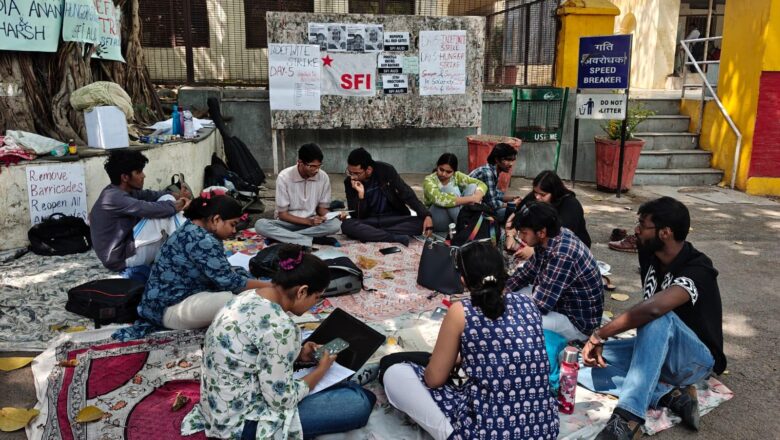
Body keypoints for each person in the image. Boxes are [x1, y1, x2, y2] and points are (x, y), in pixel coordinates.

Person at [182, 244, 375, 439]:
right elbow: (282, 401)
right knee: (360, 402)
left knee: (342, 395)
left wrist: (298, 353)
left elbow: (255, 348)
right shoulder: (280, 327)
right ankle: (344, 386)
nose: (315, 303)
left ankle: (340, 386)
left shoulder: (246, 297)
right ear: (302, 291)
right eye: (316, 297)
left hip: (218, 409)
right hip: (242, 424)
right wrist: (321, 371)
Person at [580, 197, 726, 440]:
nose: (636, 230)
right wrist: (594, 342)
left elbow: (654, 310)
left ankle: (627, 419)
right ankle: (667, 396)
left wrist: (600, 334)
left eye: (642, 225)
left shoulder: (698, 268)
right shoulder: (650, 255)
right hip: (658, 350)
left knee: (656, 316)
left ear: (665, 232)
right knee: (582, 360)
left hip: (694, 360)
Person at [383, 242, 559, 440]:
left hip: (487, 431)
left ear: (463, 280)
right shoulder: (528, 303)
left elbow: (433, 380)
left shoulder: (461, 312)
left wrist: (452, 361)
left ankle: (454, 436)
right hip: (544, 429)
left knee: (395, 373)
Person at [113, 195, 270, 341]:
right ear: (216, 219)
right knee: (235, 300)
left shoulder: (192, 228)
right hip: (168, 309)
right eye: (232, 224)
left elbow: (223, 273)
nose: (234, 231)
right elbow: (232, 283)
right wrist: (272, 286)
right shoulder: (203, 240)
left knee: (240, 280)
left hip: (161, 303)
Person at [505, 203, 603, 342]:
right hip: (560, 305)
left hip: (576, 324)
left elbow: (540, 305)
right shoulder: (549, 238)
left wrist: (502, 305)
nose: (520, 237)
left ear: (541, 232)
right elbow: (527, 272)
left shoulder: (562, 254)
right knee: (511, 296)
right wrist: (502, 291)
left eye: (524, 233)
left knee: (513, 321)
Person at [89, 150, 191, 282]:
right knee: (165, 214)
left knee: (167, 199)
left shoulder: (125, 190)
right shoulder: (113, 197)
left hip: (130, 249)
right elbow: (150, 209)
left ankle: (188, 248)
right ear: (125, 177)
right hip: (122, 259)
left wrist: (178, 196)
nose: (144, 175)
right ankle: (194, 248)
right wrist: (182, 202)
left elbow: (153, 195)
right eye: (138, 172)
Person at [341, 147, 433, 246]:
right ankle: (393, 237)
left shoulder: (386, 170)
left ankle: (373, 234)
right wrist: (361, 196)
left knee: (421, 222)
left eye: (356, 173)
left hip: (393, 218)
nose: (352, 176)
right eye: (350, 172)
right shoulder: (349, 182)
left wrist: (426, 215)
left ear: (369, 169)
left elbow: (406, 193)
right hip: (369, 221)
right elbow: (356, 216)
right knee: (346, 225)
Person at [255, 143, 341, 247]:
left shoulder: (323, 177)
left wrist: (333, 216)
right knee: (260, 225)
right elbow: (283, 215)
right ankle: (312, 239)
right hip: (288, 224)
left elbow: (322, 209)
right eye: (312, 166)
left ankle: (286, 238)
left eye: (319, 166)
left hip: (312, 224)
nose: (317, 170)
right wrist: (308, 222)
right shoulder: (284, 177)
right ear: (300, 162)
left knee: (335, 225)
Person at [514, 170, 591, 261]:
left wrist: (533, 250)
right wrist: (510, 233)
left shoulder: (570, 204)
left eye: (543, 194)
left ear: (554, 192)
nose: (537, 197)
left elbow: (559, 234)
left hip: (566, 247)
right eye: (535, 192)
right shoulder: (537, 196)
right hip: (542, 240)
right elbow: (518, 214)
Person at [422, 153, 487, 233]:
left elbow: (481, 184)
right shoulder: (429, 180)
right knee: (449, 189)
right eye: (441, 169)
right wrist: (471, 199)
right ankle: (464, 228)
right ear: (437, 166)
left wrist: (477, 196)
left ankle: (464, 224)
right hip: (435, 219)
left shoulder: (456, 176)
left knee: (472, 186)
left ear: (454, 172)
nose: (443, 174)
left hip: (453, 217)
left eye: (448, 172)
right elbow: (440, 199)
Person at [468, 143, 520, 223]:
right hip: (471, 210)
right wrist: (512, 204)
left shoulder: (493, 171)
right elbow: (493, 204)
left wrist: (512, 198)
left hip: (481, 206)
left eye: (512, 160)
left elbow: (495, 194)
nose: (511, 164)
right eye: (507, 160)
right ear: (496, 160)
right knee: (515, 213)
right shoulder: (487, 173)